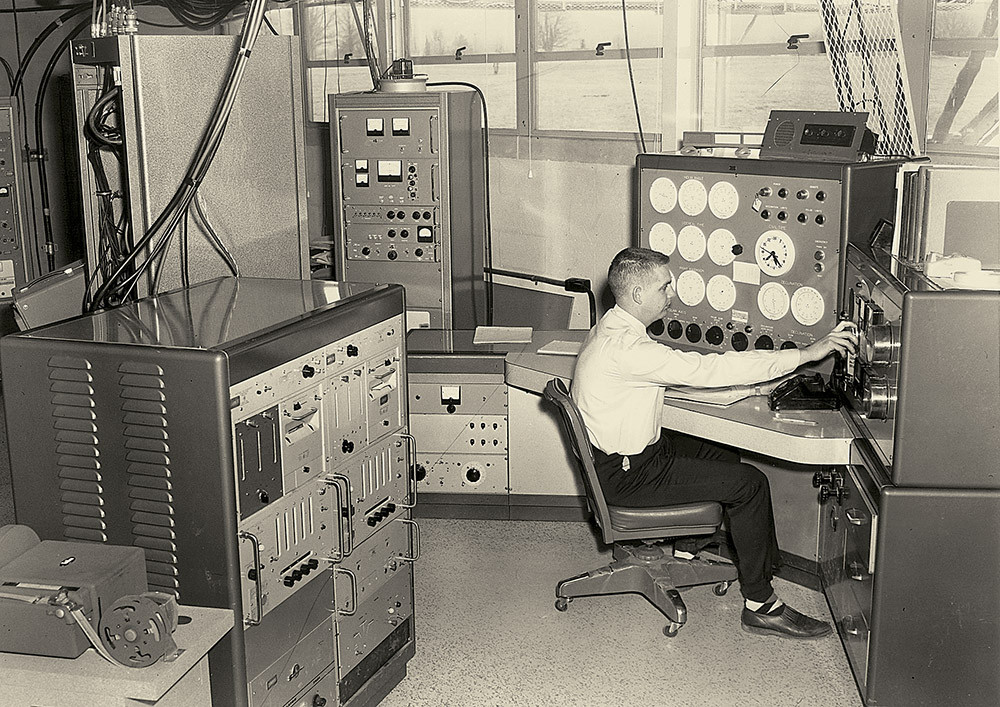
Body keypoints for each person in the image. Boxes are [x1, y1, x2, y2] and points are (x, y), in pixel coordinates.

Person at [572, 247, 857, 640]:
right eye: (664, 287)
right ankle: (761, 604)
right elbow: (709, 368)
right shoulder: (631, 350)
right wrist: (808, 353)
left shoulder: (610, 328)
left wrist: (749, 389)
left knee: (720, 450)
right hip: (629, 475)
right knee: (750, 484)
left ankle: (687, 551)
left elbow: (672, 380)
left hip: (627, 458)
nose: (671, 294)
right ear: (638, 294)